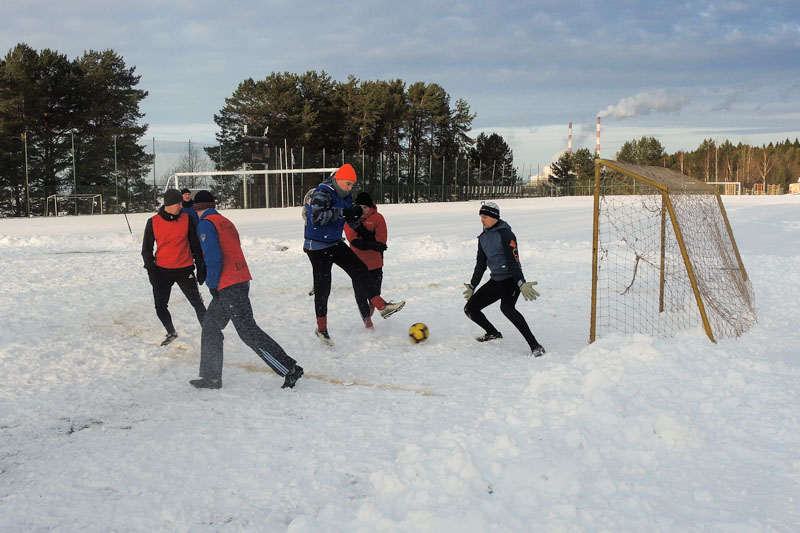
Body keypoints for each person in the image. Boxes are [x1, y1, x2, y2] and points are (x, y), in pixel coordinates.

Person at [189, 190, 303, 389]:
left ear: (197, 209)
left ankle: (289, 368)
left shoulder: (205, 224)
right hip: (238, 279)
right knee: (210, 326)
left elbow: (213, 257)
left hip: (229, 283)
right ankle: (211, 377)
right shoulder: (225, 221)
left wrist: (212, 283)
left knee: (247, 330)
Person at [303, 164, 404, 345]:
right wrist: (345, 212)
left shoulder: (346, 194)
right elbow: (317, 218)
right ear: (338, 180)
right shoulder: (322, 192)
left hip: (334, 243)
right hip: (317, 247)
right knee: (323, 287)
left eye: (352, 185)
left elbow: (352, 220)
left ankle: (382, 306)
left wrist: (368, 237)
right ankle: (322, 329)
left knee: (359, 269)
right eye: (348, 184)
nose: (350, 188)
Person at [463, 201, 546, 357]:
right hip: (496, 281)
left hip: (510, 280)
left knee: (507, 308)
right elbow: (480, 264)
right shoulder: (483, 238)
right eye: (481, 216)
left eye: (485, 217)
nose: (482, 220)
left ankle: (535, 345)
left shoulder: (506, 234)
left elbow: (513, 261)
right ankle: (493, 333)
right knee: (470, 309)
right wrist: (473, 285)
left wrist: (521, 283)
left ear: (494, 217)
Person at [141, 188, 207, 346]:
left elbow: (195, 246)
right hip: (162, 271)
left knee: (197, 303)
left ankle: (210, 333)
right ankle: (171, 331)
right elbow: (146, 250)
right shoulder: (153, 222)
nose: (181, 206)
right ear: (169, 204)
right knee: (160, 306)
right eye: (178, 203)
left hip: (184, 269)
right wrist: (152, 272)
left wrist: (200, 266)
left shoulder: (187, 219)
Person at [344, 191, 388, 329]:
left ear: (371, 207)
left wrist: (372, 242)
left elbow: (381, 240)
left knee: (375, 292)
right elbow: (354, 241)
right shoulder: (350, 219)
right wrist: (371, 243)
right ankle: (367, 320)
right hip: (356, 263)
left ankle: (372, 304)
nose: (362, 210)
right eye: (360, 207)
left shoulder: (378, 218)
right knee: (360, 293)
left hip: (375, 263)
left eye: (365, 207)